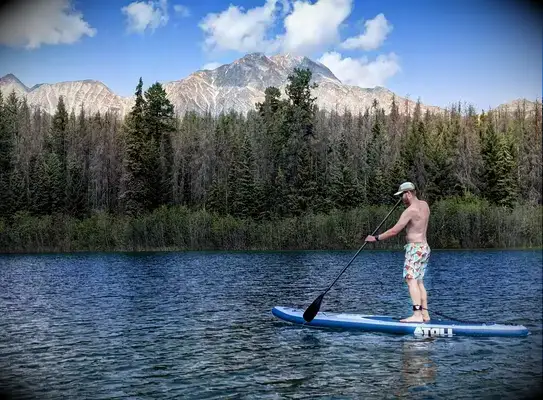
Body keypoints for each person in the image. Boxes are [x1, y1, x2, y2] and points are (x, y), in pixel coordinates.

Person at [365, 182, 431, 323]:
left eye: (402, 195)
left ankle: (417, 315)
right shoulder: (425, 205)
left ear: (408, 193)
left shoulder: (410, 211)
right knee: (419, 281)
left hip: (414, 249)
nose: (401, 199)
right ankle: (425, 315)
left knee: (410, 280)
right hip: (425, 248)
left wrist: (375, 238)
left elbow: (394, 231)